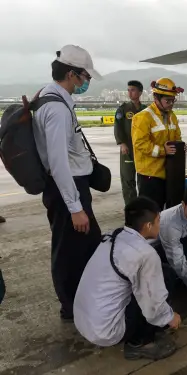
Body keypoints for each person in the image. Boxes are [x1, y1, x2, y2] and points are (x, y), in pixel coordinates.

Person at [33, 45, 103, 321]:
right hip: (67, 189)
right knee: (67, 250)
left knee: (87, 245)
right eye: (85, 76)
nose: (87, 81)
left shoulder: (51, 98)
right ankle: (70, 306)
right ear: (72, 74)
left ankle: (81, 300)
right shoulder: (57, 109)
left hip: (69, 187)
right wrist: (75, 207)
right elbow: (58, 162)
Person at [74, 197, 181, 361]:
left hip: (84, 319)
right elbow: (152, 301)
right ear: (148, 225)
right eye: (158, 221)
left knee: (146, 280)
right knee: (164, 277)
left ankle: (144, 333)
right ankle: (139, 344)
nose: (160, 225)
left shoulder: (113, 235)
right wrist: (169, 317)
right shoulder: (146, 255)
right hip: (106, 330)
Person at [132, 77, 185, 210]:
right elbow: (140, 143)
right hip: (150, 175)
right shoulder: (143, 117)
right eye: (168, 100)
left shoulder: (172, 116)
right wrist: (163, 150)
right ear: (156, 98)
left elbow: (177, 137)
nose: (171, 104)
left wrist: (180, 146)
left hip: (168, 173)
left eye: (173, 100)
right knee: (151, 212)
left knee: (169, 211)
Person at [114, 80, 147, 205]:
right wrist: (122, 143)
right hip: (128, 150)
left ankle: (144, 207)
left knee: (144, 180)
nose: (129, 92)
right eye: (128, 90)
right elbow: (118, 127)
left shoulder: (146, 110)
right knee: (128, 180)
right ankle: (131, 208)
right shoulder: (123, 109)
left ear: (140, 92)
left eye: (132, 90)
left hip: (143, 150)